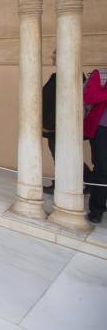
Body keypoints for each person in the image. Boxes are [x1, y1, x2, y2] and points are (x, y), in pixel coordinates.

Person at [42, 49, 91, 194]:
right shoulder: (58, 76)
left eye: (55, 55)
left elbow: (65, 104)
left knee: (62, 154)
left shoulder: (71, 76)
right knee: (62, 153)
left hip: (60, 125)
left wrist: (49, 125)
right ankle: (90, 182)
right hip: (55, 124)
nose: (53, 57)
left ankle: (67, 184)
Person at [85, 68, 107, 223]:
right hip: (101, 129)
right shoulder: (100, 74)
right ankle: (97, 209)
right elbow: (89, 97)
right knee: (102, 169)